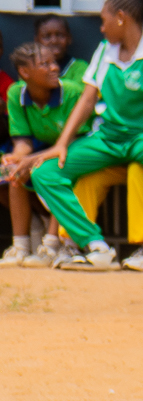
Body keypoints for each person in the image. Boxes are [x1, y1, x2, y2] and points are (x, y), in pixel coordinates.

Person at [26, 0, 143, 272]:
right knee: (44, 172)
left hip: (142, 138)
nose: (101, 27)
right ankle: (95, 245)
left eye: (104, 20)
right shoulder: (104, 50)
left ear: (121, 19)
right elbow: (88, 100)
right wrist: (62, 144)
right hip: (107, 138)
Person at [0, 41, 81, 266]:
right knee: (14, 171)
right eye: (45, 64)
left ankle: (51, 246)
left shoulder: (72, 92)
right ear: (24, 72)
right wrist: (16, 157)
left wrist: (32, 159)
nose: (54, 67)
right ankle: (21, 248)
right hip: (42, 150)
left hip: (74, 150)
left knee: (57, 172)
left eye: (54, 62)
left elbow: (73, 142)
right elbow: (23, 141)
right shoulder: (16, 93)